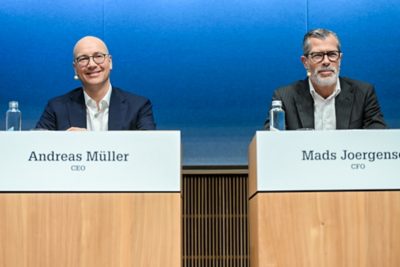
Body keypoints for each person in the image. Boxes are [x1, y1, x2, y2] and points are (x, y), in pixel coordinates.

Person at [264, 28, 387, 130]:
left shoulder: (363, 93)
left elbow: (378, 137)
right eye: (317, 55)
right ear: (305, 62)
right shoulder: (284, 97)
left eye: (332, 54)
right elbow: (270, 142)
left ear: (340, 59)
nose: (326, 61)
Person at [36, 36, 156, 131]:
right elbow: (37, 146)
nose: (92, 64)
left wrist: (90, 142)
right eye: (83, 59)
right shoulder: (56, 107)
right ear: (75, 68)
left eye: (98, 56)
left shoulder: (138, 106)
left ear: (110, 62)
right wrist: (65, 140)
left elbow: (148, 149)